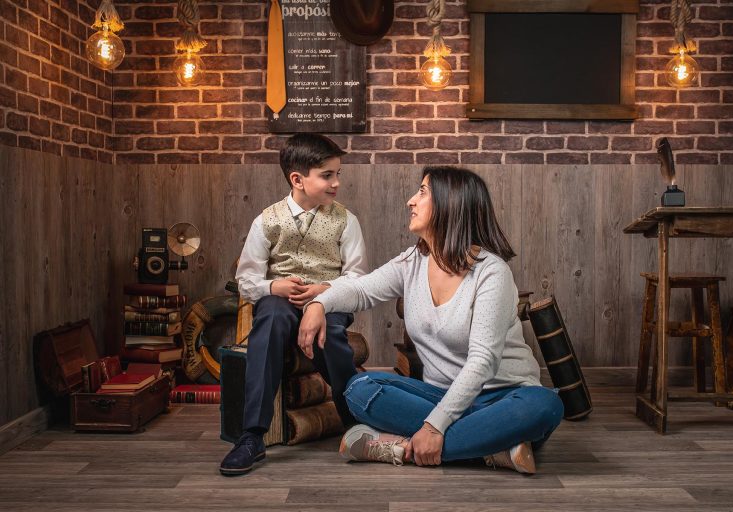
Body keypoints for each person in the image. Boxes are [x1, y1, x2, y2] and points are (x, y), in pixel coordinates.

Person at [298, 166, 563, 474]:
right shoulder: (412, 262)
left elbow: (482, 362)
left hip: (502, 396)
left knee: (545, 405)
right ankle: (496, 448)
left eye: (422, 192)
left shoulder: (492, 273)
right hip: (439, 394)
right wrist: (319, 302)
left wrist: (435, 427)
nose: (411, 201)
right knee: (360, 388)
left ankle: (401, 450)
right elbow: (360, 290)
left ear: (451, 205)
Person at [219, 133, 368, 476]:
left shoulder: (346, 220)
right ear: (297, 179)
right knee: (270, 317)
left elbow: (358, 279)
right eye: (328, 175)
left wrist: (323, 290)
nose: (337, 183)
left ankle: (356, 421)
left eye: (338, 174)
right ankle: (252, 435)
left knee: (329, 335)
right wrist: (276, 285)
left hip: (330, 301)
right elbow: (247, 280)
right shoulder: (266, 221)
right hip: (281, 302)